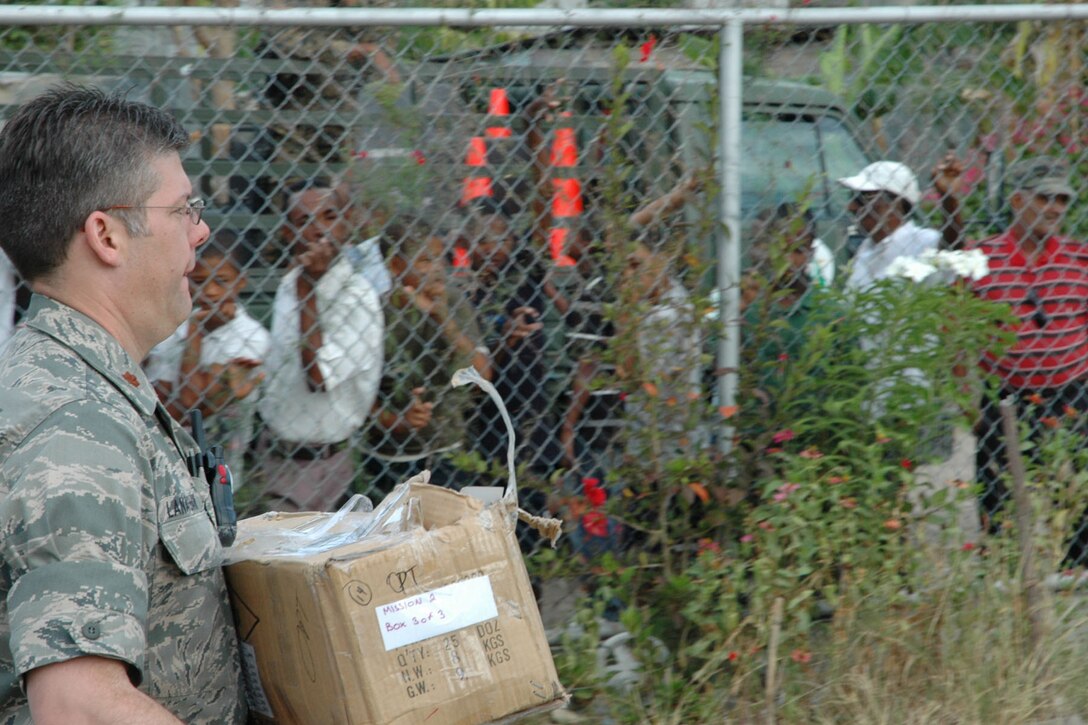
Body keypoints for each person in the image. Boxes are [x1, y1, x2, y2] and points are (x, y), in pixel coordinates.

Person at [0, 85, 246, 723]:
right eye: (184, 209)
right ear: (106, 235)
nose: (202, 230)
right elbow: (78, 705)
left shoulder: (95, 385)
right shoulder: (75, 423)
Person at [948, 157, 1088, 560]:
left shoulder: (1079, 260)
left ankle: (1075, 577)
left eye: (1062, 200)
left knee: (1077, 497)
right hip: (1005, 399)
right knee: (998, 497)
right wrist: (966, 402)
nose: (1056, 208)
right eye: (1045, 197)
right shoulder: (980, 260)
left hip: (1072, 397)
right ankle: (1004, 574)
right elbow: (957, 333)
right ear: (1016, 200)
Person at [257, 178, 383, 512]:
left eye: (329, 216)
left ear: (348, 222)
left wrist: (308, 293)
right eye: (304, 221)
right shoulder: (289, 284)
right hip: (274, 454)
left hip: (327, 465)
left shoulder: (358, 297)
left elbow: (319, 378)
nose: (318, 230)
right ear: (289, 233)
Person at [362, 217, 491, 494]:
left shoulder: (454, 302)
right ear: (395, 266)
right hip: (393, 457)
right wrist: (394, 421)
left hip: (451, 447)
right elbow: (359, 393)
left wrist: (443, 318)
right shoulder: (378, 311)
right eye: (424, 261)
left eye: (439, 258)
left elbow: (484, 375)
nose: (436, 270)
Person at [146, 229, 271, 492]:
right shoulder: (170, 329)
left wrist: (196, 331)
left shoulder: (252, 337)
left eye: (221, 281)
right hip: (162, 465)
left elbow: (190, 403)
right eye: (200, 281)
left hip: (218, 474)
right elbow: (167, 407)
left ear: (240, 282)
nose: (210, 292)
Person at [838, 160, 942, 290]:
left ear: (895, 204)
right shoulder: (867, 247)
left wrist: (950, 199)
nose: (851, 207)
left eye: (862, 199)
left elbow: (952, 246)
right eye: (852, 197)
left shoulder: (922, 240)